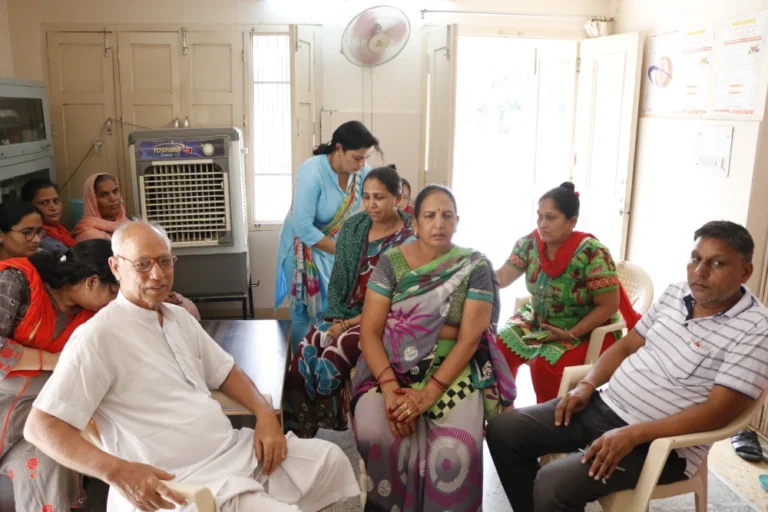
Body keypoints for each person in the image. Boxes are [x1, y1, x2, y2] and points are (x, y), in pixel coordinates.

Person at [24, 221, 360, 512]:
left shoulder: (177, 317)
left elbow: (226, 372)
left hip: (232, 450)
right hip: (181, 480)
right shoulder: (97, 337)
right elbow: (40, 427)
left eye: (164, 261)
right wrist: (118, 472)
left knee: (329, 461)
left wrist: (264, 415)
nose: (157, 274)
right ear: (115, 267)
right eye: (142, 264)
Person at [486, 220, 768, 512]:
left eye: (717, 263)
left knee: (553, 483)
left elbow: (718, 412)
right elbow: (625, 346)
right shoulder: (676, 293)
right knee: (503, 430)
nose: (700, 272)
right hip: (604, 405)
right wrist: (587, 385)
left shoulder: (756, 329)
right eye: (696, 259)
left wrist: (634, 434)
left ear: (745, 272)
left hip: (660, 444)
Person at [351, 185, 516, 512]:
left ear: (457, 222)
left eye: (447, 216)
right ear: (415, 223)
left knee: (456, 451)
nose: (439, 223)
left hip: (453, 368)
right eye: (429, 216)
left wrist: (429, 394)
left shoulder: (474, 266)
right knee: (376, 431)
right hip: (391, 367)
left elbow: (470, 338)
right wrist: (391, 392)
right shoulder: (391, 263)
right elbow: (369, 332)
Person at [283, 164, 416, 438]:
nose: (371, 204)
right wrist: (335, 317)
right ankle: (298, 435)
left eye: (379, 197)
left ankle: (330, 419)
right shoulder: (354, 226)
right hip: (344, 311)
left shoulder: (410, 240)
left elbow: (396, 301)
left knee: (333, 356)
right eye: (366, 197)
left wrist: (346, 325)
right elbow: (339, 279)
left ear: (398, 198)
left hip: (383, 319)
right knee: (304, 353)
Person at [0, 239, 118, 512]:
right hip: (3, 401)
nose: (116, 300)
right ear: (91, 282)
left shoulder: (96, 317)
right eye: (113, 291)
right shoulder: (18, 282)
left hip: (36, 418)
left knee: (49, 469)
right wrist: (54, 361)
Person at [495, 182, 640, 404]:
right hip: (539, 323)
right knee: (498, 348)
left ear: (572, 222)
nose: (542, 224)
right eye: (539, 216)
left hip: (585, 329)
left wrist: (570, 333)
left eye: (550, 218)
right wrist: (472, 272)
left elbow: (609, 306)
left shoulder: (592, 253)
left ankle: (547, 419)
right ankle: (504, 412)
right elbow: (502, 278)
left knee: (545, 366)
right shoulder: (529, 245)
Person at [275, 121, 381, 348]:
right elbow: (302, 226)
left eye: (366, 158)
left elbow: (378, 201)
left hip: (331, 246)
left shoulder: (362, 174)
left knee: (329, 308)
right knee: (302, 312)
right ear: (339, 148)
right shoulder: (312, 170)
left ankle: (323, 359)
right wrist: (345, 252)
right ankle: (301, 365)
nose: (362, 164)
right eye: (357, 158)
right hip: (301, 248)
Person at [72, 173, 201, 320]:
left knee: (186, 308)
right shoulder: (88, 235)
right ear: (93, 201)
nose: (113, 198)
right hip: (118, 297)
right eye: (104, 195)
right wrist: (154, 295)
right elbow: (105, 285)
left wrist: (159, 291)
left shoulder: (127, 225)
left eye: (115, 191)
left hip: (143, 287)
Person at [21, 178, 75, 258]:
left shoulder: (59, 229)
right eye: (44, 203)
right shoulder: (44, 242)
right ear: (29, 206)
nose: (53, 208)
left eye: (56, 201)